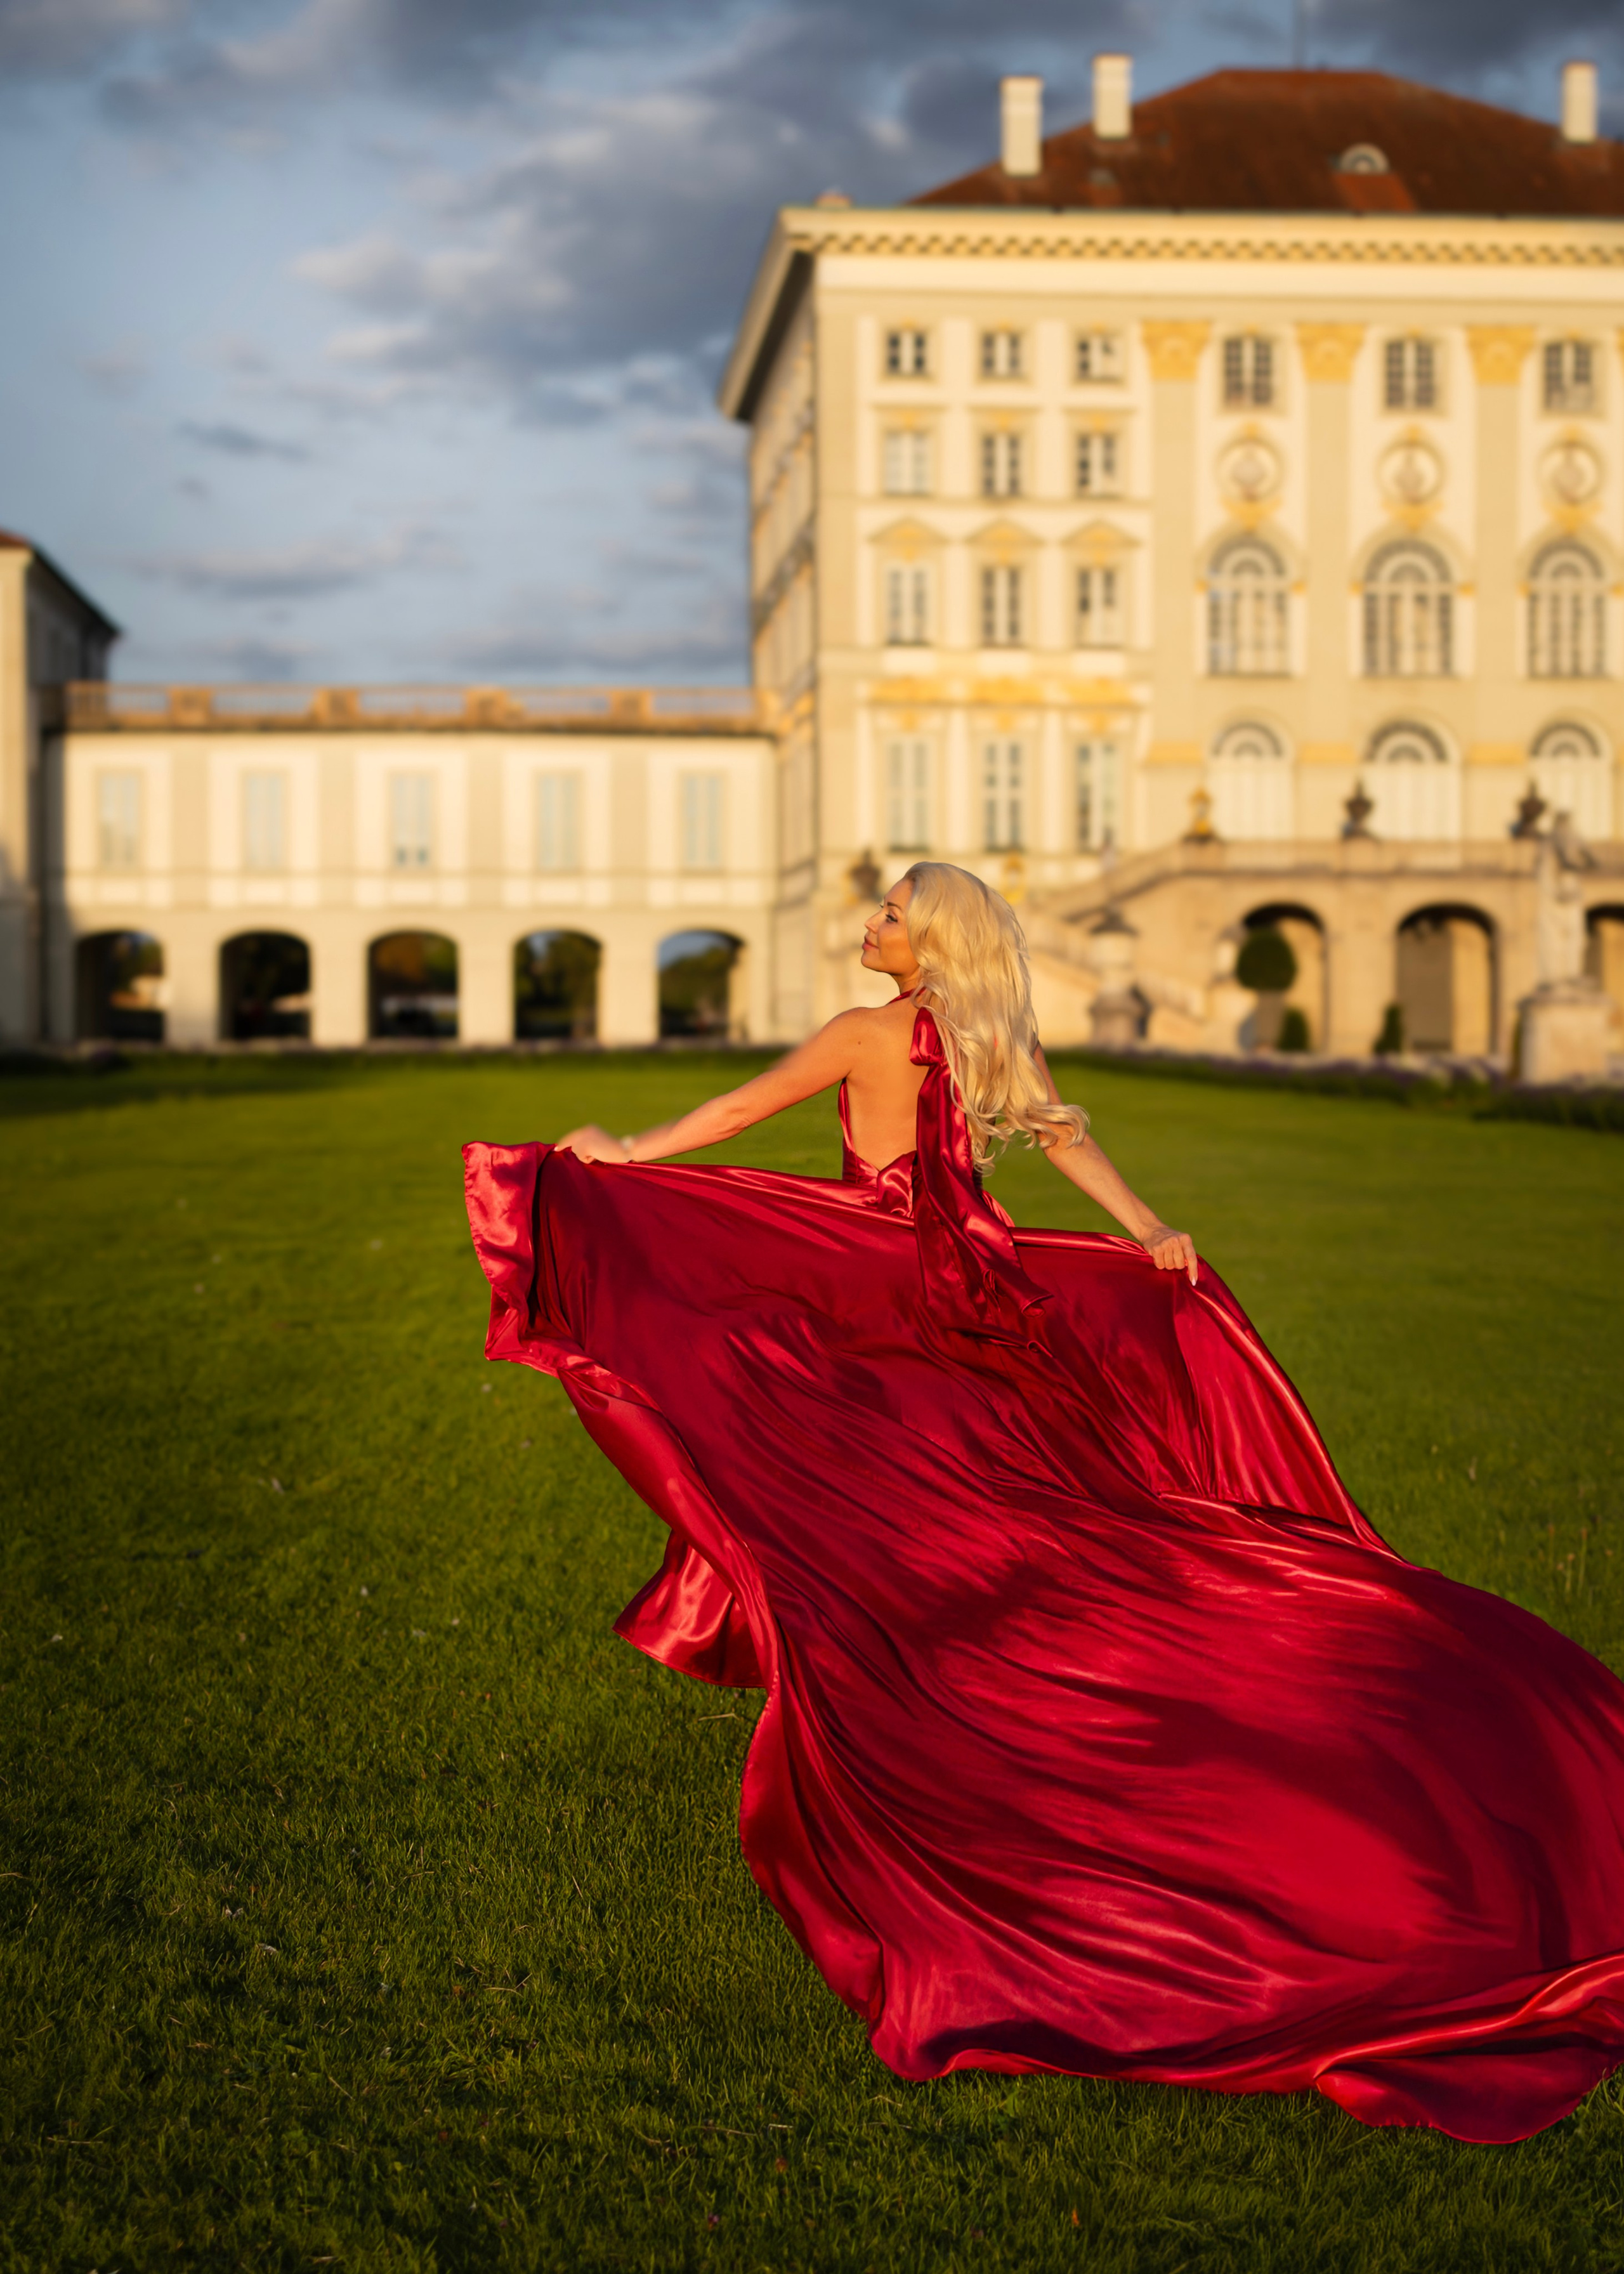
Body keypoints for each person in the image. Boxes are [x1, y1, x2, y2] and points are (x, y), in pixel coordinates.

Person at [464, 860, 1624, 2145]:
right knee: (1057, 1521)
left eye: (892, 912)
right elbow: (1061, 1135)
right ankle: (1051, 1660)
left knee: (866, 1499)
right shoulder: (979, 1036)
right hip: (991, 1304)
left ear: (928, 940)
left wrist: (625, 1154)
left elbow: (743, 1108)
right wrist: (1147, 1230)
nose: (872, 921)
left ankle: (974, 1713)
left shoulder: (866, 1033)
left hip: (893, 1301)